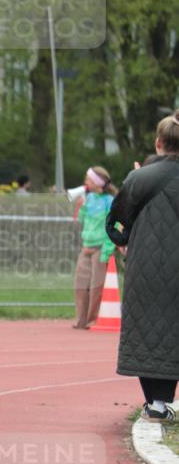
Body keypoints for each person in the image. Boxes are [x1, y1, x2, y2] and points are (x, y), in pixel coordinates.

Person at [106, 112, 179, 423]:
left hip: (146, 266)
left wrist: (124, 239)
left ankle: (156, 402)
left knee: (148, 329)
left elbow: (116, 221)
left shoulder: (138, 179)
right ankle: (165, 399)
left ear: (158, 142)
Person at [68, 166, 117, 329]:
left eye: (88, 179)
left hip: (100, 247)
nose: (85, 182)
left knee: (97, 286)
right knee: (80, 284)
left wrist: (107, 249)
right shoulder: (88, 198)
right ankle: (80, 320)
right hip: (86, 247)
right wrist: (81, 205)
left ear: (97, 183)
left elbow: (114, 225)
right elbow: (80, 219)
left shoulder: (108, 201)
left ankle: (92, 319)